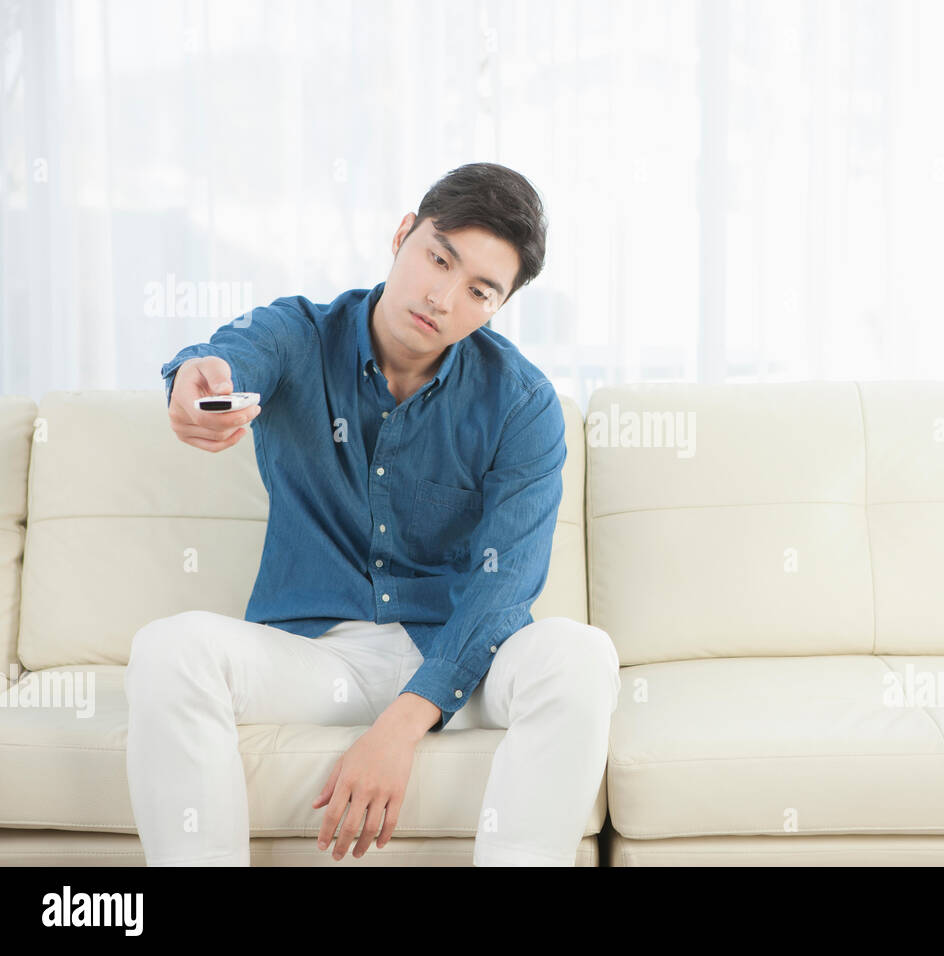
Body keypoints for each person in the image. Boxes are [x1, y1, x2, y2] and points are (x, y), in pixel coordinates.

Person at [126, 162, 619, 867]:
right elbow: (230, 358)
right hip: (314, 653)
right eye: (438, 257)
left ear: (496, 307)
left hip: (458, 659)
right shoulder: (301, 334)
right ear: (402, 235)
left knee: (581, 655)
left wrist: (402, 724)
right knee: (168, 650)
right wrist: (196, 382)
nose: (442, 297)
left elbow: (505, 586)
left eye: (479, 290)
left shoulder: (521, 402)